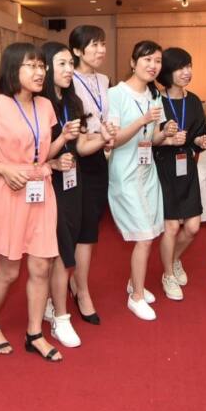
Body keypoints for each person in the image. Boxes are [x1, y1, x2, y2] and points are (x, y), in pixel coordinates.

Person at [0, 42, 65, 361]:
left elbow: (43, 151)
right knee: (9, 271)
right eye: (32, 66)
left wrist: (57, 155)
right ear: (14, 68)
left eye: (42, 66)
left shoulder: (46, 106)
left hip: (41, 187)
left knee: (42, 265)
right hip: (9, 189)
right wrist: (1, 169)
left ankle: (34, 333)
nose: (40, 72)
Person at [40, 41, 107, 347]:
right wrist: (53, 161)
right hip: (47, 182)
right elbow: (32, 153)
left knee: (68, 245)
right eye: (62, 64)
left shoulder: (73, 101)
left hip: (73, 181)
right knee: (60, 250)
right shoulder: (39, 104)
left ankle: (55, 304)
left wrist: (105, 139)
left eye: (70, 63)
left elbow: (80, 147)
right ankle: (61, 316)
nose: (69, 70)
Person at [107, 40, 177, 321]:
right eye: (147, 59)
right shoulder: (116, 94)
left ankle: (134, 283)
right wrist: (142, 120)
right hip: (124, 173)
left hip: (147, 172)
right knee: (145, 236)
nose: (153, 65)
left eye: (157, 61)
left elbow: (153, 138)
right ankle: (136, 297)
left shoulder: (154, 95)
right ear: (133, 63)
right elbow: (113, 139)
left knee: (150, 232)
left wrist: (165, 133)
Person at [154, 47, 206, 301]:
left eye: (188, 66)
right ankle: (168, 274)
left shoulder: (194, 100)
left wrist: (201, 141)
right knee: (170, 226)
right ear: (167, 71)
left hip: (186, 167)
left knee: (192, 227)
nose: (186, 72)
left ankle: (174, 259)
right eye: (180, 67)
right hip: (163, 168)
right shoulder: (156, 101)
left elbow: (201, 133)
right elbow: (148, 140)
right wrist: (166, 138)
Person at [69, 25, 117, 325]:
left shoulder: (103, 79)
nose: (101, 50)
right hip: (73, 158)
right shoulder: (67, 80)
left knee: (90, 226)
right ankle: (63, 287)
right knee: (70, 227)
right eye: (94, 45)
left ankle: (80, 286)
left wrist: (107, 133)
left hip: (97, 157)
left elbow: (104, 114)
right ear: (77, 51)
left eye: (102, 44)